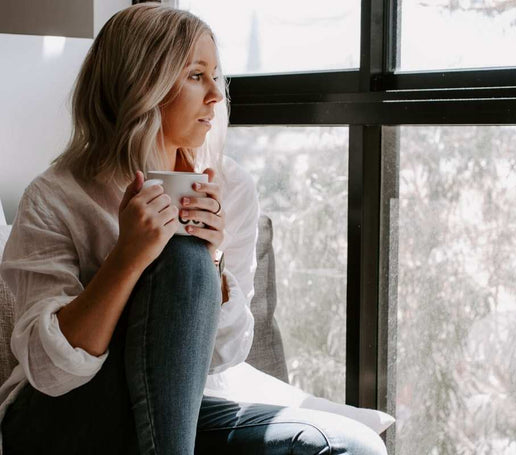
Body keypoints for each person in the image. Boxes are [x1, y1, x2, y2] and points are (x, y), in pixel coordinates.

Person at [0, 4, 386, 454]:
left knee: (349, 446)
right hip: (56, 418)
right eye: (196, 76)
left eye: (216, 77)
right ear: (143, 84)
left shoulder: (230, 188)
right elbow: (49, 374)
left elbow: (223, 357)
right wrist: (128, 258)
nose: (216, 97)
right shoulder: (56, 196)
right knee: (180, 256)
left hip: (173, 409)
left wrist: (214, 262)